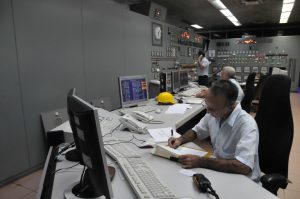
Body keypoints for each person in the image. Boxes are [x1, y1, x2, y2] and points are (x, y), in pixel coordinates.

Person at [168, 80, 261, 182]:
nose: (208, 111)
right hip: (220, 170)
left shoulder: (247, 125)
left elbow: (244, 166)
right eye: (207, 105)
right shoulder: (214, 113)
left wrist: (200, 161)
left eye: (212, 109)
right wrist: (180, 139)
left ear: (231, 107)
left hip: (243, 179)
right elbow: (197, 131)